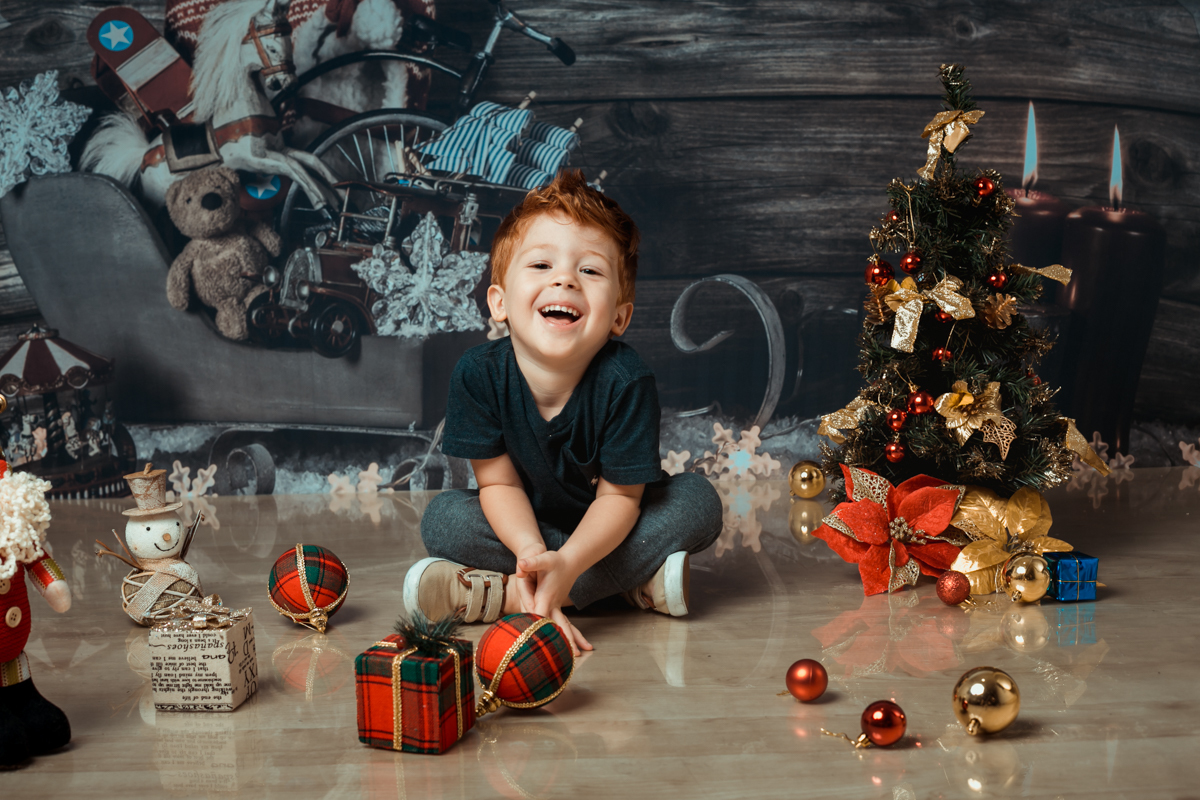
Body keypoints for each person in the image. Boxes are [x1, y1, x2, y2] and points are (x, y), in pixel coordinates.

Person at [405, 170, 722, 655]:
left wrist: (569, 562)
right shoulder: (477, 374)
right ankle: (627, 585)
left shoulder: (627, 380)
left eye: (590, 271)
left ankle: (510, 595)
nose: (564, 278)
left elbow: (620, 498)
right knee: (444, 519)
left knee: (698, 502)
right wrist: (533, 554)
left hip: (612, 527)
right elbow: (499, 484)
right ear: (500, 301)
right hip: (521, 527)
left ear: (619, 316)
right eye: (540, 264)